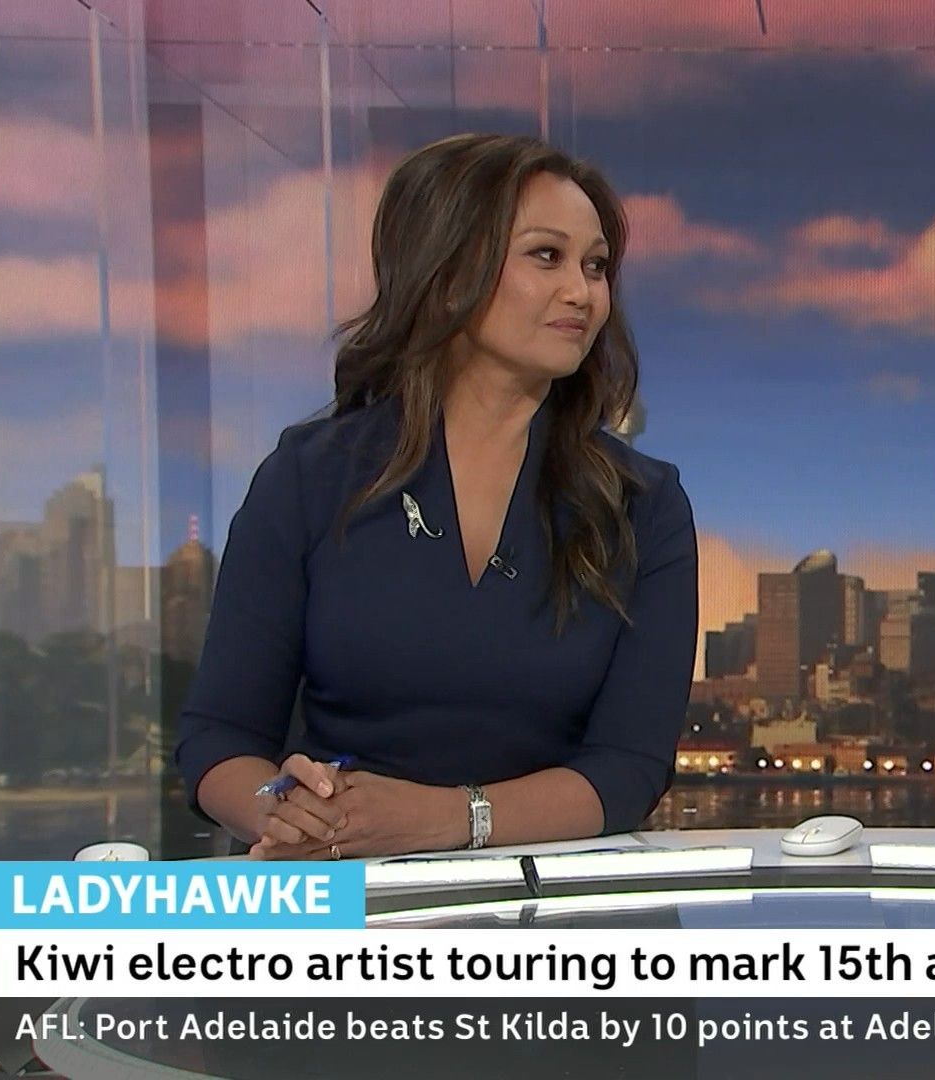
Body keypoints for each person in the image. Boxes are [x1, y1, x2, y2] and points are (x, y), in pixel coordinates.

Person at [175, 134, 698, 860]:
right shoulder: (311, 477)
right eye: (546, 256)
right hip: (340, 895)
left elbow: (629, 769)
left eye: (596, 266)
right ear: (449, 274)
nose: (583, 293)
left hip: (553, 905)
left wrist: (450, 818)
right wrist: (285, 816)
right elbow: (219, 737)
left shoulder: (644, 505)